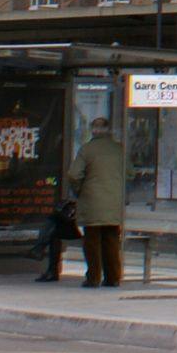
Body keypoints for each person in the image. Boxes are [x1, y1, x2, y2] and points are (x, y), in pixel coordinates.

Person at [64, 115, 128, 288]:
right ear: (109, 131)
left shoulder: (87, 150)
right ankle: (113, 277)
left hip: (92, 200)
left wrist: (79, 190)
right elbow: (129, 173)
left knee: (92, 240)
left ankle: (93, 277)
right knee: (112, 239)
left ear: (92, 130)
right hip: (114, 202)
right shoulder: (118, 149)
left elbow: (74, 174)